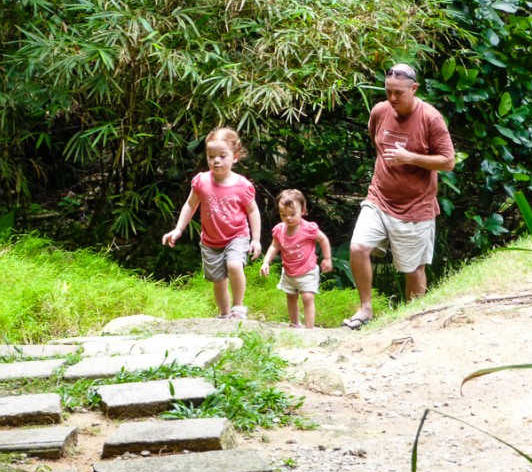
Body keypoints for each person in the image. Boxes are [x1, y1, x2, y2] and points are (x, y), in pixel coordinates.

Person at [344, 64, 455, 330]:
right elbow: (377, 144)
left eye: (398, 93)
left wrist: (411, 158)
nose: (392, 98)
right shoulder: (380, 111)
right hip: (378, 198)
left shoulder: (431, 119)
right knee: (358, 248)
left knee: (413, 270)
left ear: (414, 89)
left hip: (415, 207)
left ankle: (411, 323)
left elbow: (448, 161)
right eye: (388, 91)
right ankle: (365, 309)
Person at [163, 127, 262, 320]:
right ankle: (225, 315)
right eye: (211, 156)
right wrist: (178, 229)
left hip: (237, 236)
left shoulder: (242, 185)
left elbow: (253, 210)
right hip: (210, 240)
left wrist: (256, 239)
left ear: (235, 156)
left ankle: (239, 307)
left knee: (234, 265)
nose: (216, 160)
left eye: (222, 156)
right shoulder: (201, 181)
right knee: (218, 281)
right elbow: (190, 205)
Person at [260, 189, 333, 329]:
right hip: (289, 271)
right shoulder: (279, 230)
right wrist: (266, 262)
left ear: (303, 210)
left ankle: (309, 328)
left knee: (307, 297)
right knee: (291, 297)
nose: (288, 218)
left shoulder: (308, 229)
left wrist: (327, 258)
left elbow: (323, 239)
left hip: (307, 270)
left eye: (293, 214)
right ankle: (295, 324)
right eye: (283, 215)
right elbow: (274, 246)